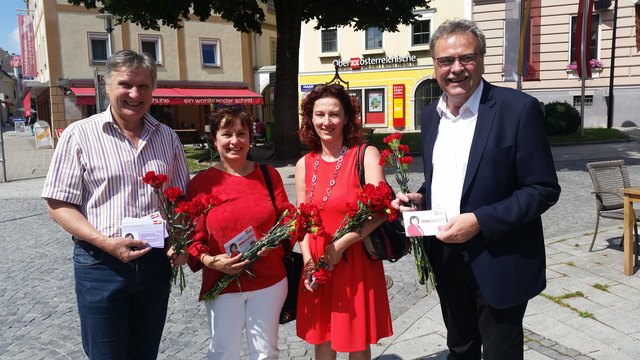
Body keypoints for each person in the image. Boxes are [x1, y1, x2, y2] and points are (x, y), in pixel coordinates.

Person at [393, 19, 561, 359]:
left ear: (481, 59)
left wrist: (480, 220)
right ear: (435, 65)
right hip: (446, 255)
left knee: (501, 353)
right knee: (460, 348)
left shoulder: (517, 110)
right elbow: (449, 177)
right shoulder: (431, 115)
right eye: (445, 61)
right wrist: (421, 197)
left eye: (466, 58)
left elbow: (542, 188)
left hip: (499, 257)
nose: (456, 69)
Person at [41, 49, 190, 359]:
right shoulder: (79, 136)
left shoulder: (167, 138)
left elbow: (181, 201)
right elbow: (57, 203)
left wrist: (180, 241)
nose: (135, 94)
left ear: (153, 90)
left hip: (154, 263)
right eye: (125, 84)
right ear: (106, 85)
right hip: (100, 265)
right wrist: (105, 243)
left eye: (144, 86)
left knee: (145, 353)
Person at [295, 83, 392, 359]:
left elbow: (381, 210)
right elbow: (301, 221)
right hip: (319, 262)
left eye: (334, 114)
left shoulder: (365, 155)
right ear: (310, 119)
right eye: (320, 114)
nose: (327, 122)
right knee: (322, 339)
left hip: (354, 260)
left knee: (356, 341)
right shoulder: (305, 163)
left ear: (347, 117)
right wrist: (308, 262)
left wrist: (339, 247)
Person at [186, 107, 292, 359]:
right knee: (223, 352)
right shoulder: (201, 183)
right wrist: (211, 261)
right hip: (222, 284)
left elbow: (288, 219)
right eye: (227, 134)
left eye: (241, 133)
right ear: (215, 139)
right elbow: (193, 239)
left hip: (269, 281)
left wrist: (275, 244)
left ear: (250, 138)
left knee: (266, 353)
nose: (235, 141)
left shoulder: (268, 175)